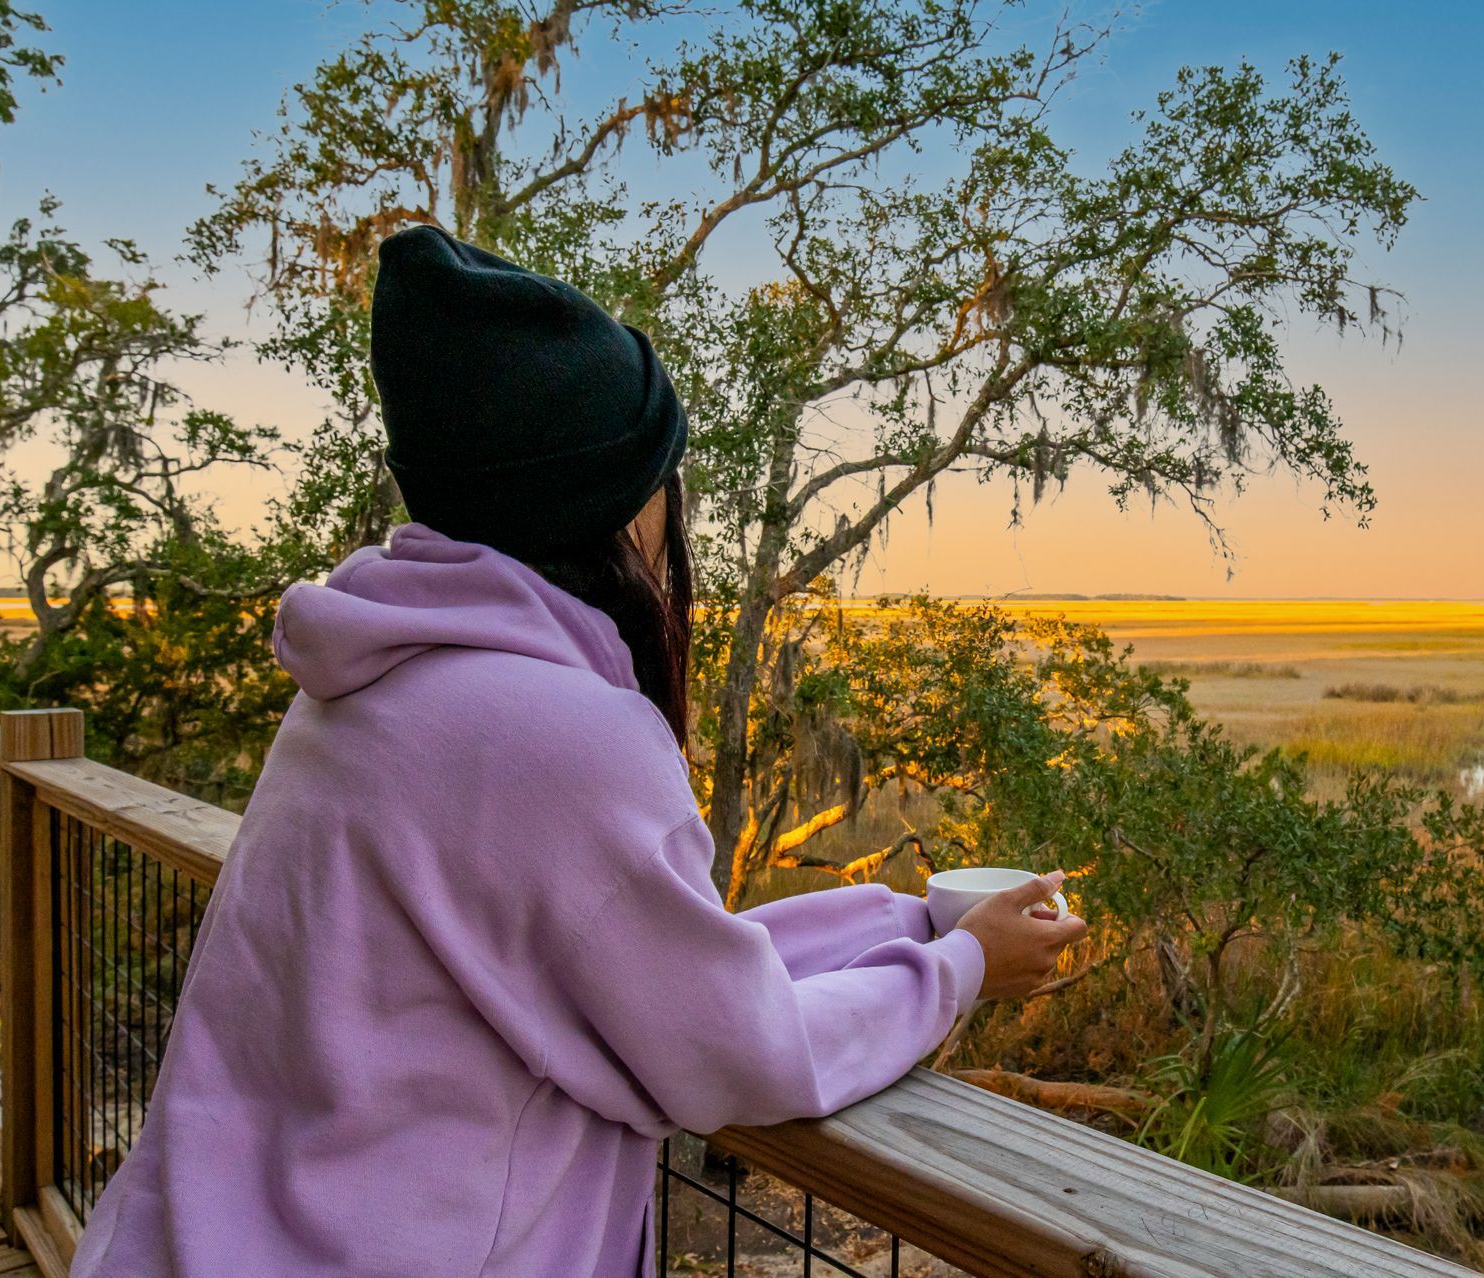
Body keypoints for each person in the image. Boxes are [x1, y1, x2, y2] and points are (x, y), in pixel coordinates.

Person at [71, 225, 1086, 1277]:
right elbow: (732, 1051)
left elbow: (654, 969)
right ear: (611, 500)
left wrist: (906, 922)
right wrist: (960, 970)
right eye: (663, 476)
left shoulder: (366, 687)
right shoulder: (558, 736)